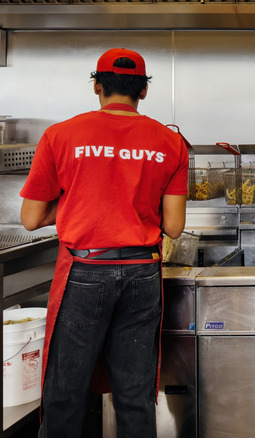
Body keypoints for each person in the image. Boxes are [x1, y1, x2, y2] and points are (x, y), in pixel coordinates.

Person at [19, 48, 188, 438]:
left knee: (65, 394)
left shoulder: (60, 136)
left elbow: (30, 218)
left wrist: (81, 200)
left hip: (83, 272)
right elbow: (175, 226)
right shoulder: (170, 143)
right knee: (135, 395)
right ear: (143, 92)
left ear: (97, 86)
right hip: (141, 274)